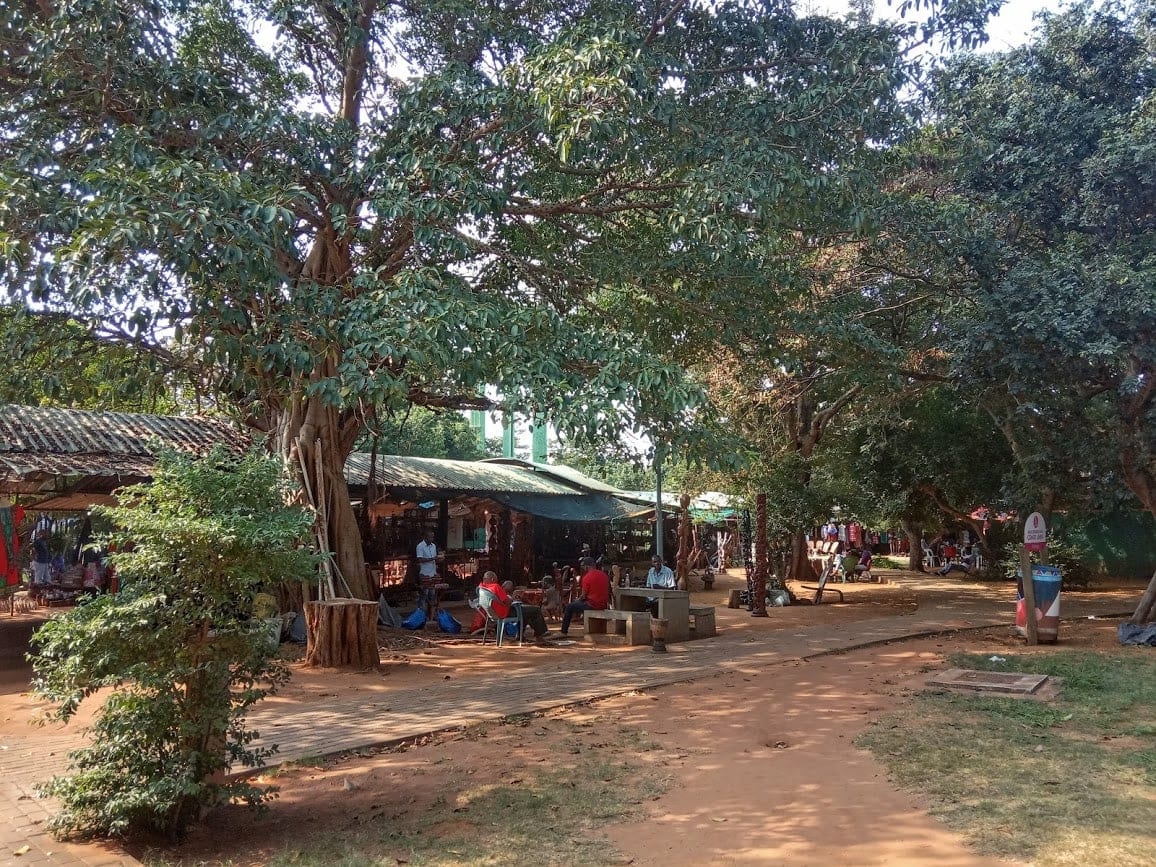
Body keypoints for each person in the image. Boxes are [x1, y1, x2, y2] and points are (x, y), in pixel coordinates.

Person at [476, 572, 551, 644]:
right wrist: (512, 598)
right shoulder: (495, 587)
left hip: (492, 613)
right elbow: (507, 602)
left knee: (526, 611)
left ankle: (520, 635)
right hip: (504, 613)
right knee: (535, 610)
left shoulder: (481, 588)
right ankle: (540, 635)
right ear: (492, 579)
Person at [560, 557, 611, 637]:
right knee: (577, 604)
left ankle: (563, 631)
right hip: (603, 604)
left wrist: (577, 600)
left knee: (569, 607)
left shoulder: (586, 577)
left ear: (586, 567)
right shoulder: (604, 575)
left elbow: (583, 596)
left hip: (592, 605)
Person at [415, 530, 441, 616]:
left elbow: (434, 558)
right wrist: (433, 558)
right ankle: (420, 614)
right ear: (425, 537)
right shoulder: (420, 546)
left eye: (432, 537)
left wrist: (438, 559)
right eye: (430, 537)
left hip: (433, 573)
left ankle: (430, 615)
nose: (432, 539)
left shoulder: (433, 546)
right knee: (424, 594)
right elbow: (420, 559)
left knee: (432, 595)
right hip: (424, 573)